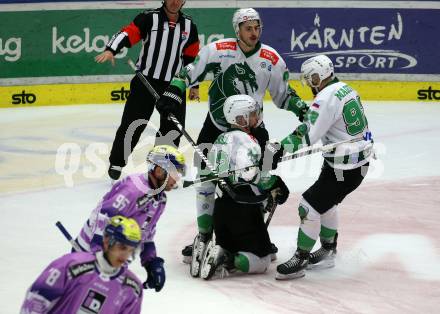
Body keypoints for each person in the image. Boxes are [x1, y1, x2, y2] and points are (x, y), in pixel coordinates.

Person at [155, 7, 308, 263]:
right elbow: (189, 72)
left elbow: (284, 95)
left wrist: (303, 110)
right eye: (248, 28)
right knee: (206, 181)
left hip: (252, 129)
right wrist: (173, 92)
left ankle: (255, 236)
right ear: (237, 30)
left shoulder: (271, 59)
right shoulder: (218, 51)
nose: (254, 33)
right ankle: (204, 236)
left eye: (257, 27)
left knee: (255, 181)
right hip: (215, 126)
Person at [274, 55, 374, 280]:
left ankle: (300, 259)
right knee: (325, 204)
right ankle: (328, 250)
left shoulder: (325, 97)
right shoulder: (345, 88)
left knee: (308, 206)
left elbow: (307, 135)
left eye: (311, 79)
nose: (310, 84)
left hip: (345, 169)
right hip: (351, 163)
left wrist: (279, 148)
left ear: (318, 77)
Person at [95, 0, 199, 180]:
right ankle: (117, 162)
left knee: (172, 130)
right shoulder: (149, 18)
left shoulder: (189, 25)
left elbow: (191, 57)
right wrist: (111, 49)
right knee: (132, 124)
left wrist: (194, 84)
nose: (175, 2)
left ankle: (162, 168)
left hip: (174, 85)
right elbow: (127, 33)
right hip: (145, 82)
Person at [192, 94, 290, 279]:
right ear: (240, 118)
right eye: (252, 114)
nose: (256, 117)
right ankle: (227, 258)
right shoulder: (248, 141)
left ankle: (222, 247)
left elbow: (206, 180)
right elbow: (249, 174)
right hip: (243, 212)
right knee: (262, 261)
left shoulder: (220, 140)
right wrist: (274, 183)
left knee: (252, 247)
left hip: (220, 214)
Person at [74, 145, 186, 291]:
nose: (177, 179)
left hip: (116, 259)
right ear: (159, 171)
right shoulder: (132, 189)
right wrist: (97, 255)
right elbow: (104, 216)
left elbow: (147, 233)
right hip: (89, 254)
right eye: (175, 173)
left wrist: (151, 263)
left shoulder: (160, 200)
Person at [21, 215, 144, 313]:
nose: (126, 255)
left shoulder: (133, 288)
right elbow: (36, 300)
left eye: (131, 250)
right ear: (107, 241)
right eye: (122, 247)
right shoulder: (69, 266)